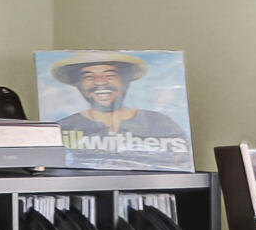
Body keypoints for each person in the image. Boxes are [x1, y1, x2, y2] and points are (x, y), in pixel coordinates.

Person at [48, 54, 190, 165]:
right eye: (89, 76)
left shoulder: (159, 123)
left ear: (125, 81)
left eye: (110, 75)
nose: (100, 82)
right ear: (78, 84)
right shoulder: (62, 128)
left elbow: (179, 162)